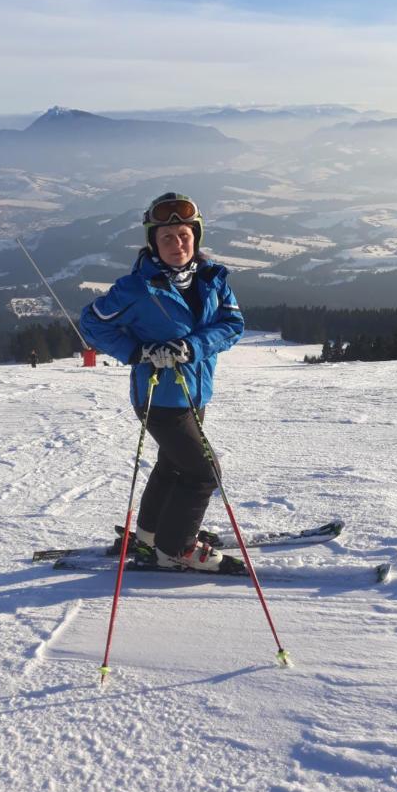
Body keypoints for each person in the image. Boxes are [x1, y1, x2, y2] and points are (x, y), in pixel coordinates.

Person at [80, 192, 244, 572]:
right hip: (158, 398)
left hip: (196, 392)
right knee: (204, 473)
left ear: (196, 237)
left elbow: (232, 325)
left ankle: (150, 537)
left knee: (172, 465)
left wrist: (191, 347)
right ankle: (177, 548)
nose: (177, 244)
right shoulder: (137, 288)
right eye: (166, 237)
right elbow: (92, 322)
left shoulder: (212, 279)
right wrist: (137, 352)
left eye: (184, 235)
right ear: (153, 242)